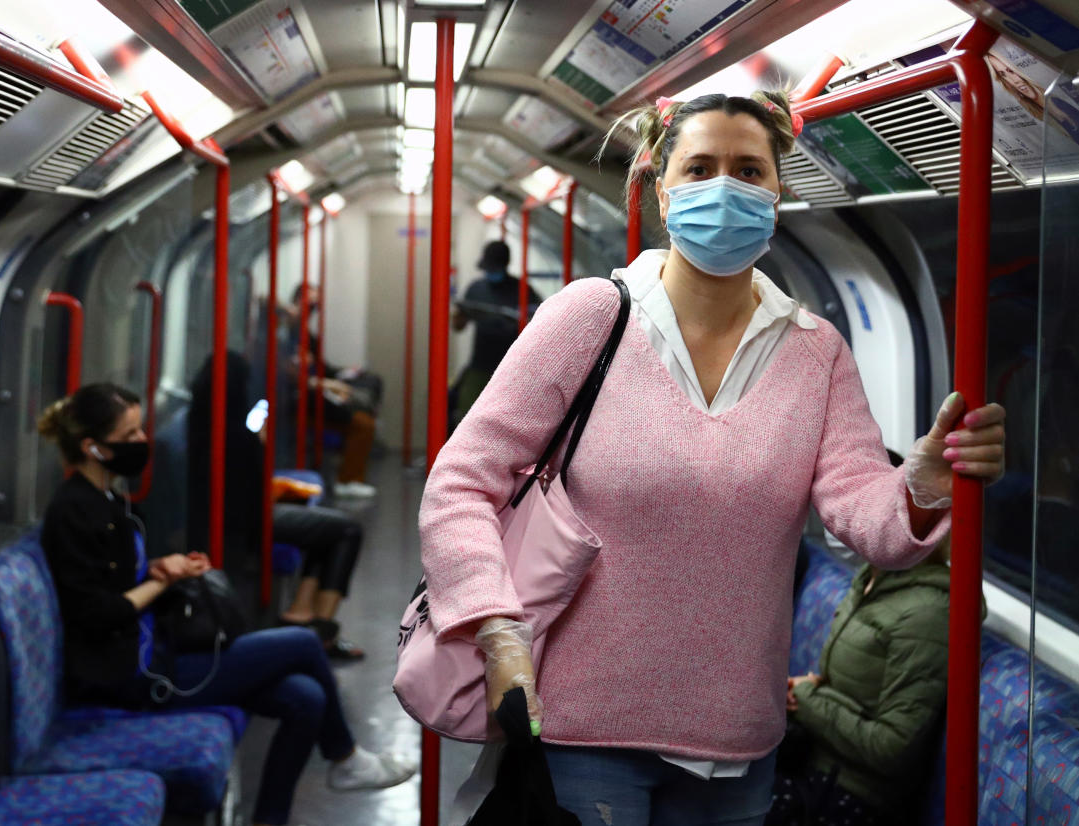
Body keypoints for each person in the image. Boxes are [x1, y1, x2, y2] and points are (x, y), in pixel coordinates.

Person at [418, 90, 1006, 826]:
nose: (723, 187)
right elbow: (461, 482)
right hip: (582, 721)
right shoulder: (589, 317)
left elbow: (869, 522)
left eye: (747, 171)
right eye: (698, 167)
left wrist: (921, 482)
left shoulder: (813, 350)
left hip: (736, 738)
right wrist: (495, 627)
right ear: (662, 190)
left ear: (778, 191)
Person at [38, 383, 412, 826]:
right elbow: (99, 612)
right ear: (93, 447)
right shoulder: (73, 512)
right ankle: (347, 759)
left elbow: (112, 578)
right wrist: (163, 583)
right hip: (132, 674)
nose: (143, 443)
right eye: (131, 434)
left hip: (150, 647)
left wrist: (161, 567)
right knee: (302, 643)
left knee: (305, 698)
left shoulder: (106, 497)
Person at [769, 452, 951, 826]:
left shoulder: (929, 612)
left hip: (852, 795)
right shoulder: (874, 576)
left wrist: (805, 700)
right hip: (816, 761)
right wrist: (809, 692)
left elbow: (892, 749)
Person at [187, 352, 367, 659]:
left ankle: (301, 612)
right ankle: (321, 628)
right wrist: (258, 446)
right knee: (346, 530)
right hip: (248, 521)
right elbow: (249, 492)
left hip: (244, 514)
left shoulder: (204, 421)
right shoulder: (232, 434)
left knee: (327, 529)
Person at [287, 283, 380, 498]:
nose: (310, 310)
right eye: (308, 304)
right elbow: (291, 372)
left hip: (312, 391)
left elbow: (320, 367)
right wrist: (322, 383)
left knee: (364, 405)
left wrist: (335, 378)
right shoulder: (287, 334)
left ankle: (350, 474)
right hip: (299, 398)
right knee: (362, 424)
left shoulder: (305, 335)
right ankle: (347, 479)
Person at [451, 239, 543, 423]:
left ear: (505, 265)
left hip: (514, 369)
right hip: (480, 366)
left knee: (509, 421)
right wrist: (463, 314)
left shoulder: (523, 290)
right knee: (467, 417)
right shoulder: (476, 289)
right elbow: (458, 326)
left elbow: (541, 322)